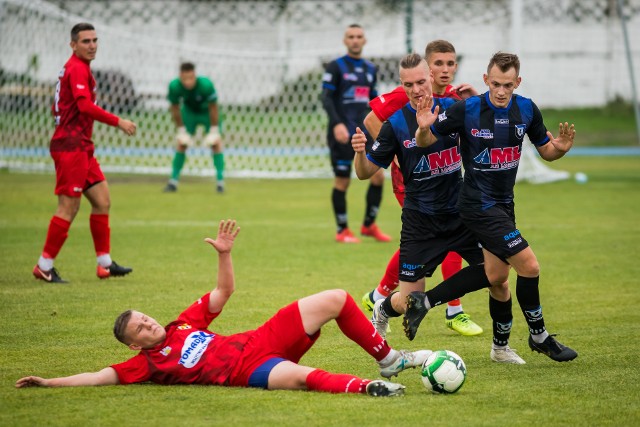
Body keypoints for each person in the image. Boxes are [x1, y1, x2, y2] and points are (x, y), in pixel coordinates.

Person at [17, 219, 432, 397]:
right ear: (134, 346)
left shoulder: (181, 324)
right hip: (245, 372)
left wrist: (224, 253)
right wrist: (50, 383)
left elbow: (223, 291)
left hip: (258, 340)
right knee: (303, 378)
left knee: (336, 298)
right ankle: (369, 387)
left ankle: (389, 360)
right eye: (140, 331)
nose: (147, 326)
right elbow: (97, 377)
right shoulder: (146, 366)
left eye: (144, 318)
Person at [405, 51, 578, 363]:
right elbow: (425, 141)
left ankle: (428, 303)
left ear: (517, 83)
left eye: (508, 85)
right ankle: (539, 336)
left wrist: (559, 150)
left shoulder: (526, 109)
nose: (501, 91)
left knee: (496, 276)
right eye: (496, 83)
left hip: (504, 204)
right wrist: (423, 128)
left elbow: (546, 152)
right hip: (476, 204)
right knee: (530, 266)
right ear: (486, 80)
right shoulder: (468, 109)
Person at [352, 54, 505, 360]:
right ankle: (383, 307)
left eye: (421, 82)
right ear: (402, 85)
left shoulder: (451, 110)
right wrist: (360, 152)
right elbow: (364, 172)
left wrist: (479, 99)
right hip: (420, 222)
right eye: (408, 84)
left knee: (498, 273)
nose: (416, 89)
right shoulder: (395, 125)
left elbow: (491, 121)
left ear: (430, 78)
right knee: (407, 301)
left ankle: (501, 348)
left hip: (461, 214)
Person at [32, 23, 136, 284]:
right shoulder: (77, 68)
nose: (91, 45)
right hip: (71, 147)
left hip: (81, 146)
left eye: (94, 40)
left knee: (102, 200)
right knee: (69, 207)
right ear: (73, 44)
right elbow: (84, 106)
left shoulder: (79, 67)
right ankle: (44, 266)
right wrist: (118, 121)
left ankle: (105, 264)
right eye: (86, 41)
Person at [321, 24, 390, 243]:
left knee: (378, 176)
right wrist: (336, 124)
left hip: (365, 131)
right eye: (351, 36)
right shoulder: (335, 67)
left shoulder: (370, 69)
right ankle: (342, 230)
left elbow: (374, 101)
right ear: (345, 40)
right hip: (342, 132)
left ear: (364, 40)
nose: (355, 40)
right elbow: (326, 98)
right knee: (342, 181)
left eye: (359, 36)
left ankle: (369, 225)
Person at [163, 62, 225, 194]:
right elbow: (175, 109)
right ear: (180, 76)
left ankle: (220, 183)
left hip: (206, 113)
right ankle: (173, 182)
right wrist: (181, 130)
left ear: (195, 75)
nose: (188, 82)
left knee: (216, 143)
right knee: (182, 143)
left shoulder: (206, 85)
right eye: (185, 78)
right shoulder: (174, 87)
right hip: (190, 113)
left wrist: (214, 130)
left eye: (191, 78)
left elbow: (213, 107)